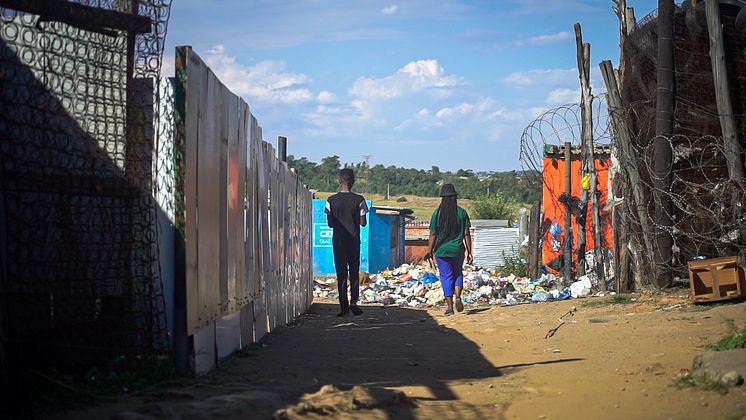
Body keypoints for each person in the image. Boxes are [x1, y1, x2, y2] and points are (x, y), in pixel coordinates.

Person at [325, 168, 368, 317]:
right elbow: (363, 223)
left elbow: (330, 224)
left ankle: (343, 308)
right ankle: (354, 302)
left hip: (338, 242)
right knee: (354, 272)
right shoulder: (360, 200)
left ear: (339, 181)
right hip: (353, 241)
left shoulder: (330, 200)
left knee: (341, 275)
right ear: (353, 181)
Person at [426, 183, 473, 316]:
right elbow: (466, 234)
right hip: (458, 250)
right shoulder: (462, 212)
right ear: (454, 198)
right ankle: (458, 297)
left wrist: (429, 251)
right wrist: (469, 252)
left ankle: (449, 307)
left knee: (446, 276)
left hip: (441, 251)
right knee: (457, 273)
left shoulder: (437, 213)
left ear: (443, 198)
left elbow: (433, 234)